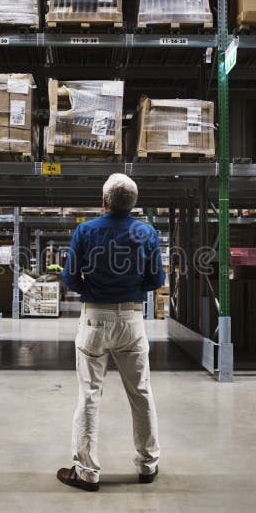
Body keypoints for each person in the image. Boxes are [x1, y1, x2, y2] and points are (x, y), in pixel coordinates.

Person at [57, 173, 165, 492]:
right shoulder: (146, 232)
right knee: (141, 392)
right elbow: (156, 279)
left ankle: (87, 471)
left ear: (103, 201)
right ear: (133, 203)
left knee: (89, 394)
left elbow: (70, 277)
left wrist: (92, 287)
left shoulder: (86, 230)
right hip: (131, 318)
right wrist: (131, 288)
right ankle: (148, 464)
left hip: (94, 319)